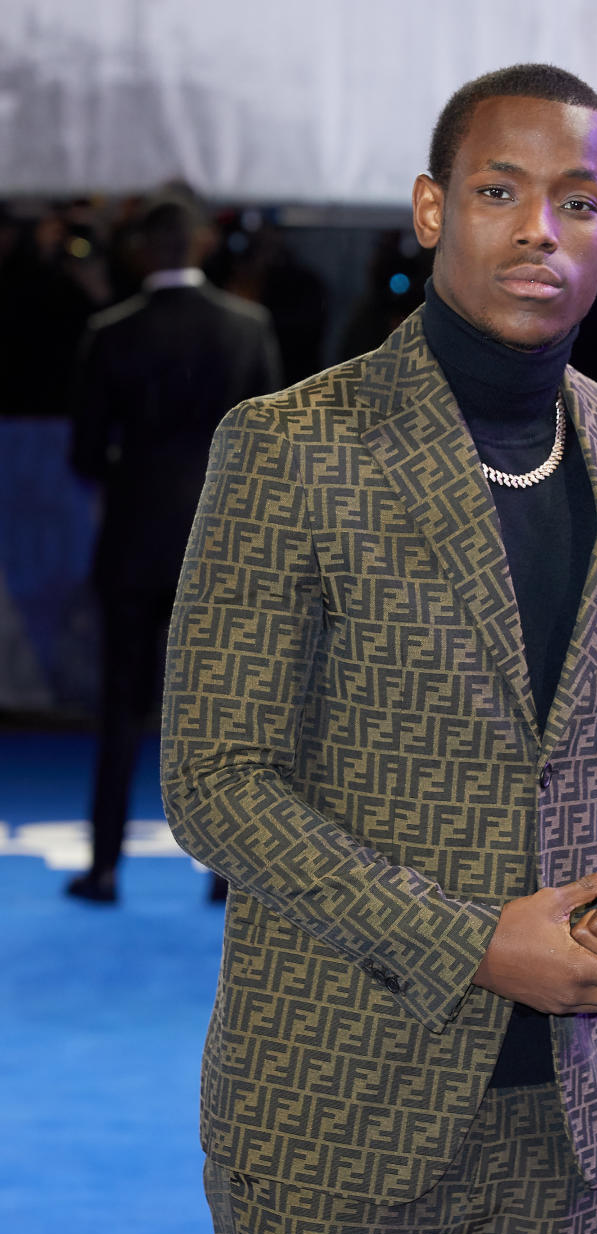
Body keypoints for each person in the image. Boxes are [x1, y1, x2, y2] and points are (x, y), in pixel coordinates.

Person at [161, 64, 597, 1234]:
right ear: (431, 211)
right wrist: (477, 939)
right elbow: (217, 779)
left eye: (578, 201)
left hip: (560, 1123)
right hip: (330, 1107)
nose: (541, 229)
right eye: (499, 192)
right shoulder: (292, 449)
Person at [66, 195, 281, 903]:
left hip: (131, 546)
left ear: (141, 251)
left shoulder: (110, 332)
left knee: (121, 711)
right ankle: (227, 876)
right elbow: (269, 452)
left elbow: (87, 454)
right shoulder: (247, 330)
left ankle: (103, 868)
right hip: (221, 551)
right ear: (199, 245)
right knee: (223, 721)